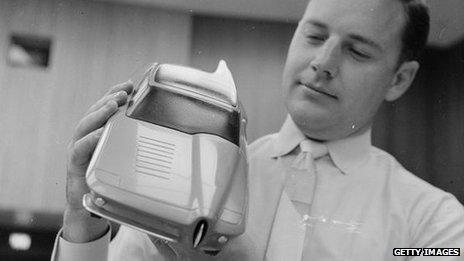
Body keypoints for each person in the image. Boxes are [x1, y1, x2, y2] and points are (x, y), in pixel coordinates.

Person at [51, 0, 464, 260]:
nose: (323, 61)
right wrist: (81, 219)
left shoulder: (434, 226)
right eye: (315, 35)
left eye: (357, 50)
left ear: (399, 80)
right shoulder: (185, 177)